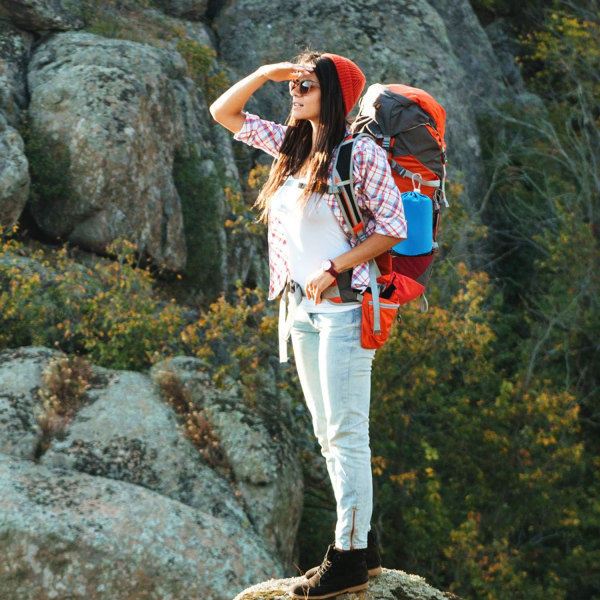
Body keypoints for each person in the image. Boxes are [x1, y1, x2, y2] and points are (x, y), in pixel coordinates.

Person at [210, 50, 406, 599]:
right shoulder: (293, 147)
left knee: (346, 434)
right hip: (299, 309)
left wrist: (333, 267)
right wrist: (266, 75)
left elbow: (391, 226)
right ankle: (361, 550)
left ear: (335, 95)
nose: (293, 94)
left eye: (306, 87)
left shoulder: (358, 152)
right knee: (328, 435)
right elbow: (222, 113)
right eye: (292, 86)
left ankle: (345, 558)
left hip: (345, 306)